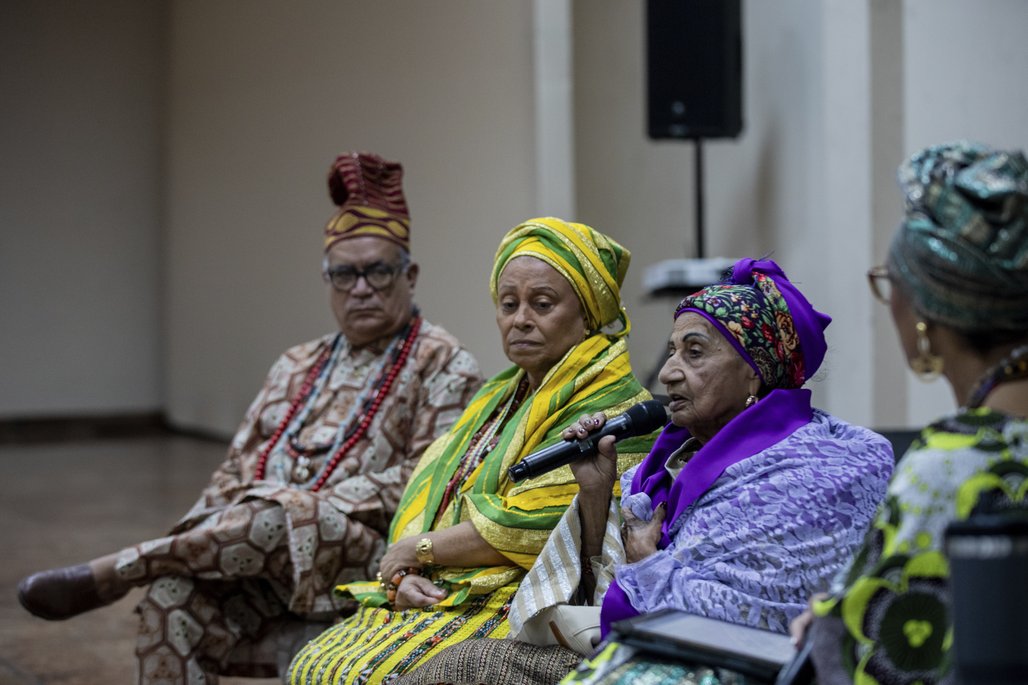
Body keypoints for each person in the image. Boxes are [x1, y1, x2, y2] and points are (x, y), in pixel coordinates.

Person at [17, 151, 484, 683]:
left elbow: (427, 482)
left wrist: (300, 505)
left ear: (410, 274)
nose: (360, 289)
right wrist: (217, 519)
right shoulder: (296, 363)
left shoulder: (443, 360)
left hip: (367, 554)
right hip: (255, 557)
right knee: (172, 598)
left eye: (377, 271)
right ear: (327, 279)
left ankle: (119, 570)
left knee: (277, 513)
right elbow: (235, 471)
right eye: (343, 274)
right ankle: (162, 564)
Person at [398, 258, 897, 685]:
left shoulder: (820, 468)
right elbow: (605, 598)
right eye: (674, 351)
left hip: (731, 669)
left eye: (694, 353)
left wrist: (646, 564)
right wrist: (596, 494)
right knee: (451, 665)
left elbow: (760, 613)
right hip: (643, 646)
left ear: (754, 371)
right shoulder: (664, 463)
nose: (667, 372)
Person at [285, 216, 656, 684]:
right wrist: (402, 576)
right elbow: (432, 493)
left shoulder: (617, 409)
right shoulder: (499, 396)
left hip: (525, 601)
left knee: (365, 675)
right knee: (313, 664)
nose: (521, 319)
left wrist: (416, 551)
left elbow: (533, 525)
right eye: (509, 303)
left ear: (588, 315)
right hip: (446, 586)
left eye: (542, 304)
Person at [790, 141, 1028, 685]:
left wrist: (822, 626)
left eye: (889, 283)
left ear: (924, 315)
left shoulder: (951, 467)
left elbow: (867, 654)